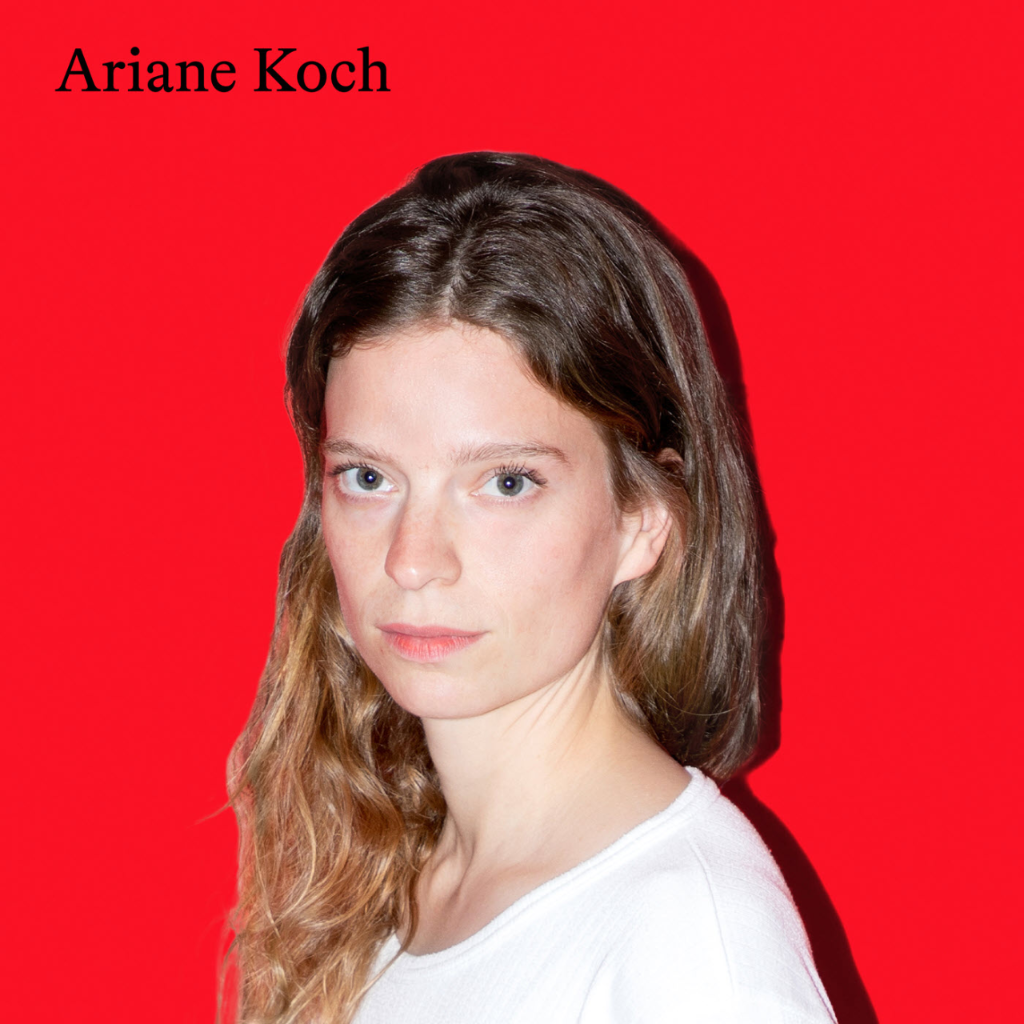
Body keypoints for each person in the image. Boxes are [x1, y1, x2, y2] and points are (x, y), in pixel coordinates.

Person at [226, 152, 836, 1024]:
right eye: (368, 478)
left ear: (642, 521)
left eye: (505, 482)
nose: (412, 561)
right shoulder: (385, 879)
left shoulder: (691, 947)